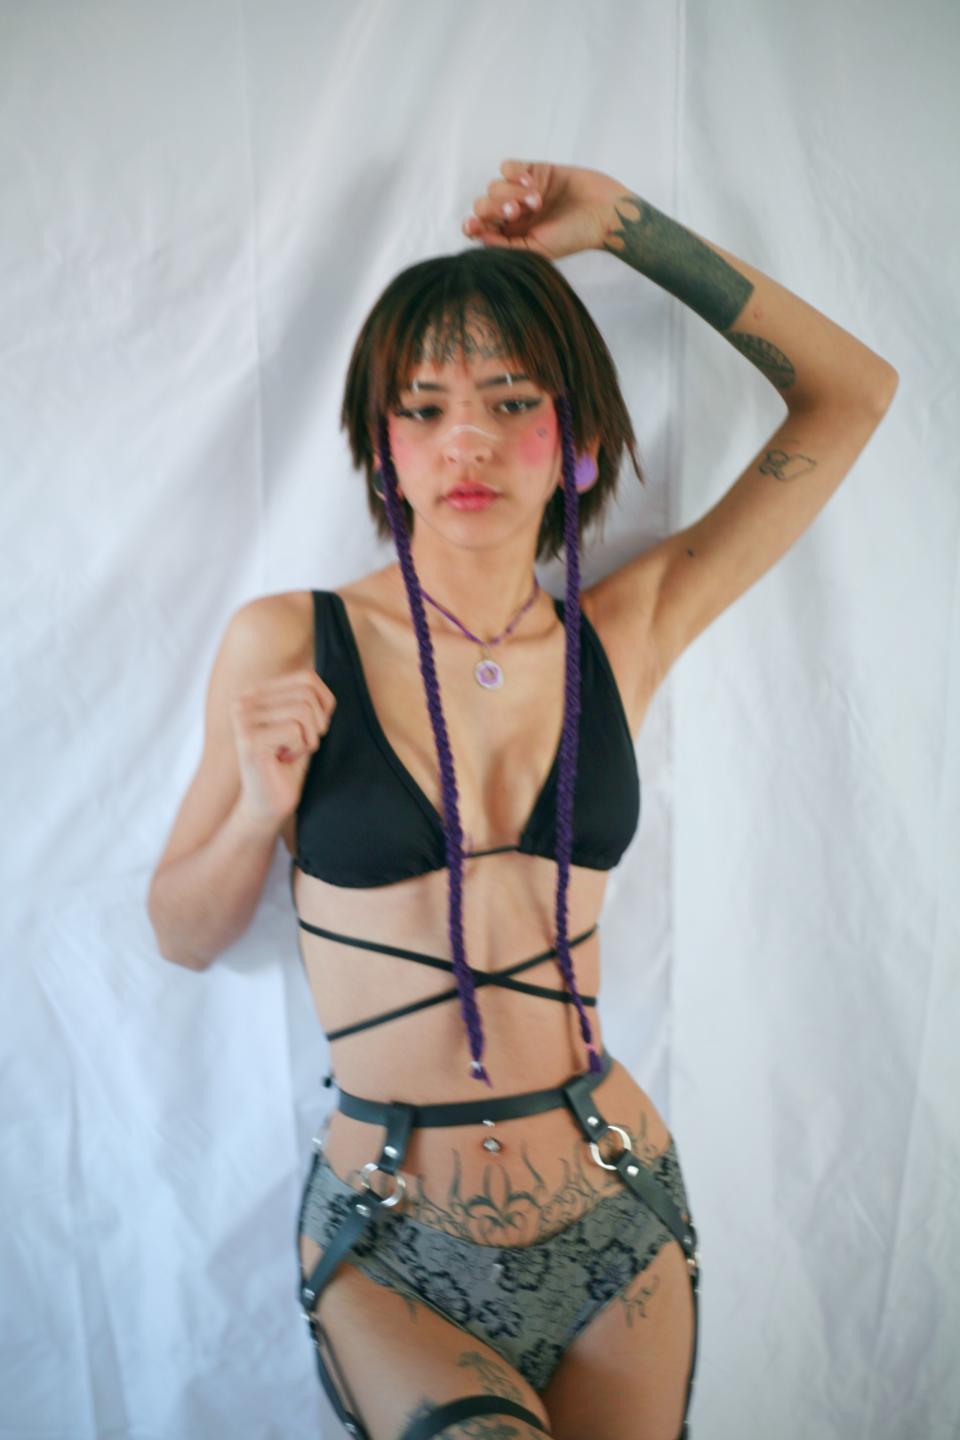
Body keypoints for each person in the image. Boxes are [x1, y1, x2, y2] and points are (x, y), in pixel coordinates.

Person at [148, 159, 898, 1440]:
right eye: (425, 408)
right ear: (384, 444)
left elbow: (852, 393)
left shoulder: (629, 630)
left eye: (512, 402)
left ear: (577, 435)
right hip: (393, 1233)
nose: (469, 443)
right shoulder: (289, 640)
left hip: (615, 1206)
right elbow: (180, 934)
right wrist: (259, 812)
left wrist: (625, 228)